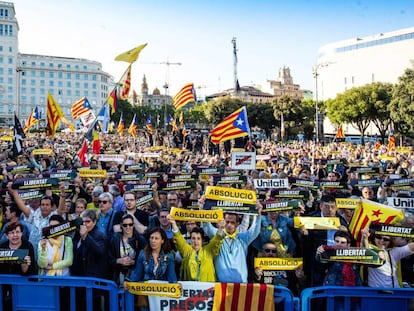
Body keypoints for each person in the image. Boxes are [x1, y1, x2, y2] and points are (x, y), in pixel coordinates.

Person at [202, 205, 262, 283]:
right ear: (223, 221)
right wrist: (203, 208)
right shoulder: (217, 235)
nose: (229, 225)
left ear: (237, 224)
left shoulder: (242, 238)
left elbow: (255, 231)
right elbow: (207, 227)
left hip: (241, 287)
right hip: (221, 287)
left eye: (232, 222)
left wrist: (258, 215)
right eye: (227, 222)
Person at [169, 216, 224, 281]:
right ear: (190, 239)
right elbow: (179, 239)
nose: (196, 241)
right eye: (193, 238)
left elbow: (216, 240)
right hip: (189, 289)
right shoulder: (187, 251)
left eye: (198, 238)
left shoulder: (208, 251)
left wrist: (221, 228)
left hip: (207, 289)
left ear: (202, 240)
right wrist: (173, 223)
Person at [108, 214, 146, 286]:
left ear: (133, 225)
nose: (128, 227)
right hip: (118, 274)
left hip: (135, 275)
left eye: (130, 224)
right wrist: (118, 260)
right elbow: (108, 258)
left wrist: (135, 262)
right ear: (121, 225)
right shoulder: (114, 238)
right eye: (125, 225)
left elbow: (145, 258)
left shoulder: (140, 240)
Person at [71, 209, 110, 279]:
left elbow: (100, 251)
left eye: (87, 222)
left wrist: (86, 237)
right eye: (82, 222)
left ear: (94, 222)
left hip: (93, 280)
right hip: (79, 278)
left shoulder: (100, 235)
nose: (84, 224)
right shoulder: (78, 233)